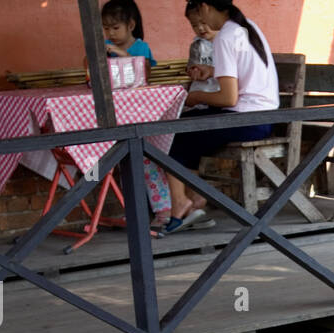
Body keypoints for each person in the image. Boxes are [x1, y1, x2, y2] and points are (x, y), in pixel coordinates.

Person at [159, 0, 278, 234]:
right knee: (182, 133)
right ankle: (195, 201)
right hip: (263, 116)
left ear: (204, 6)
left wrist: (197, 97)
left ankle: (182, 203)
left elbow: (227, 98)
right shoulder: (246, 26)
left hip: (246, 120)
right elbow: (243, 73)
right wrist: (212, 72)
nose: (202, 25)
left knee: (169, 133)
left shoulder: (225, 36)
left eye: (200, 18)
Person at [96, 0, 174, 236]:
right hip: (119, 116)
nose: (110, 33)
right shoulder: (106, 47)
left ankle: (163, 212)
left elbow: (146, 76)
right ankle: (134, 211)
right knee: (125, 164)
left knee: (148, 165)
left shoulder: (141, 48)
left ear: (131, 25)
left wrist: (123, 55)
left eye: (115, 27)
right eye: (106, 28)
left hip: (142, 116)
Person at [183, 9, 219, 113]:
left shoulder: (226, 41)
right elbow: (192, 66)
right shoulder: (197, 45)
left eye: (204, 23)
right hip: (202, 91)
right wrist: (193, 71)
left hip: (220, 93)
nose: (200, 28)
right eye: (194, 25)